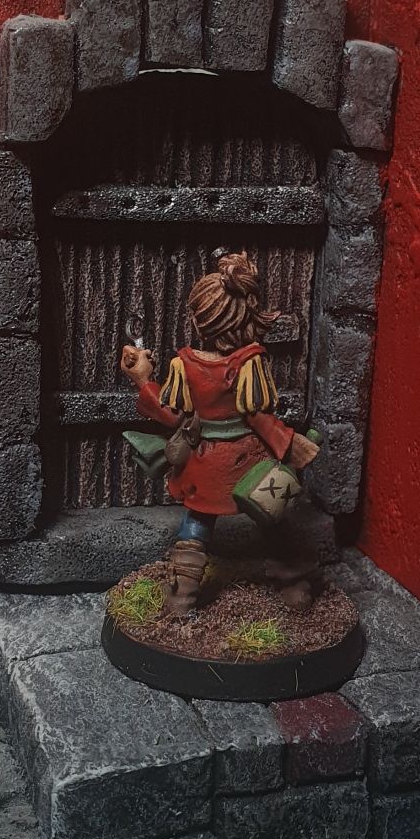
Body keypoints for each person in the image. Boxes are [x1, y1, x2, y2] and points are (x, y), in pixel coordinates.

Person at [121, 251, 320, 615]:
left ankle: (181, 595)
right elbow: (259, 417)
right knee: (271, 517)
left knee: (196, 524)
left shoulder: (183, 364)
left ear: (199, 321)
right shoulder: (250, 363)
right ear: (245, 315)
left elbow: (172, 416)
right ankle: (293, 583)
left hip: (205, 465)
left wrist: (144, 380)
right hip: (247, 462)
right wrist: (291, 445)